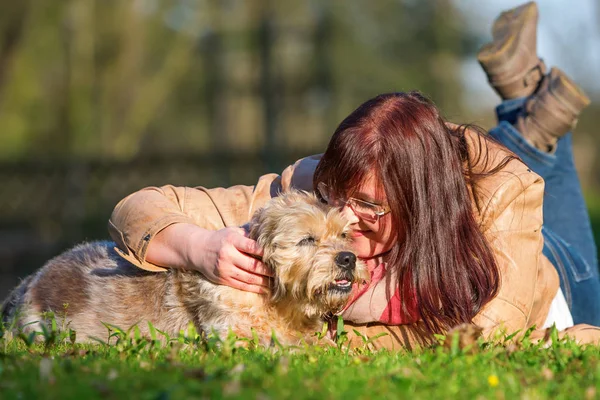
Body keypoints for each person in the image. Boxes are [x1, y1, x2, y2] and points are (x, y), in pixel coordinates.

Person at [107, 2, 600, 349]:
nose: (342, 215)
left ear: (415, 202)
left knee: (525, 165)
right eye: (334, 193)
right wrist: (199, 246)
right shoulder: (313, 189)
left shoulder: (504, 199)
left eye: (367, 205)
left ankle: (529, 118)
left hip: (556, 280)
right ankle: (530, 109)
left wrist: (329, 344)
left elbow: (486, 341)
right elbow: (138, 207)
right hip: (432, 179)